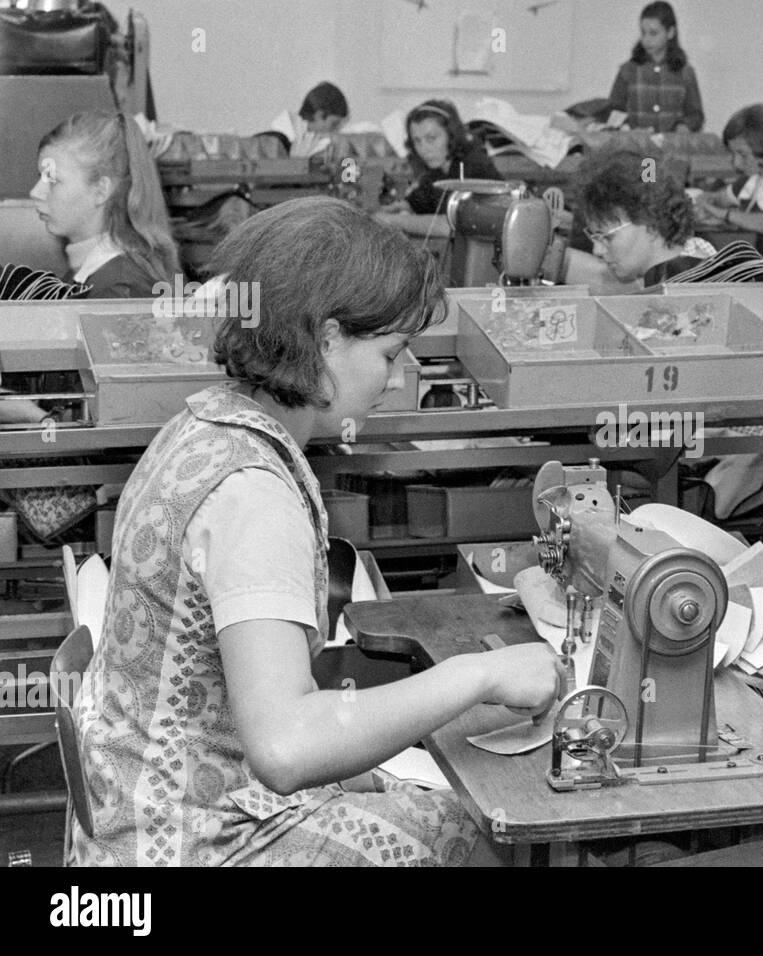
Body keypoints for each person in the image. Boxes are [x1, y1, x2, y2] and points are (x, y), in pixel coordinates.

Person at [70, 197, 563, 865]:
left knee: (403, 785)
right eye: (389, 353)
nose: (395, 378)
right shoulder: (254, 493)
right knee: (471, 830)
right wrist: (478, 675)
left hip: (135, 813)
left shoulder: (203, 426)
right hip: (190, 845)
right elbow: (285, 748)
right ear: (327, 338)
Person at [564, 150, 763, 289]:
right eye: (593, 237)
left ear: (649, 223)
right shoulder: (686, 263)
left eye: (606, 238)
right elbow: (606, 281)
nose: (597, 250)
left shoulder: (688, 288)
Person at [28, 111, 178, 299]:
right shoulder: (89, 274)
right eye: (40, 177)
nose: (35, 192)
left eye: (53, 181)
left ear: (101, 191)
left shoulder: (121, 288)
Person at [696, 105, 763, 276]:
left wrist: (724, 214)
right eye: (733, 154)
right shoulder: (754, 177)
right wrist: (704, 200)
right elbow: (719, 198)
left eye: (743, 154)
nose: (736, 163)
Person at [374, 100, 502, 239]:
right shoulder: (437, 171)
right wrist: (388, 211)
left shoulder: (473, 166)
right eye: (417, 141)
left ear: (452, 135)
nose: (423, 149)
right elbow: (416, 203)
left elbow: (450, 225)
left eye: (431, 139)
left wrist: (390, 220)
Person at [607, 2, 703, 134]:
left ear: (670, 32)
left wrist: (685, 126)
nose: (646, 39)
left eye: (653, 33)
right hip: (636, 147)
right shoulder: (628, 70)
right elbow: (613, 111)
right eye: (643, 33)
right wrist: (627, 128)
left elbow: (696, 115)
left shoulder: (685, 72)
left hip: (672, 148)